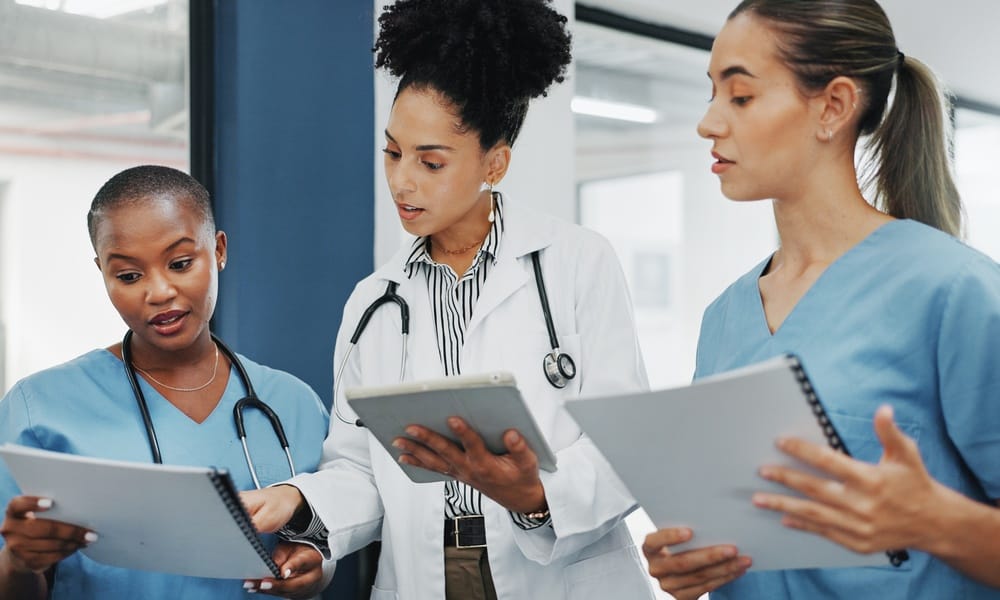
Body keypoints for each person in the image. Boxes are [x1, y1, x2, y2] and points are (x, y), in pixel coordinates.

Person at [240, 0, 655, 598]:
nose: (402, 180)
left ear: (495, 162)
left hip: (559, 576)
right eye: (393, 151)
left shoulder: (577, 263)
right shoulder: (373, 303)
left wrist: (535, 496)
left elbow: (626, 445)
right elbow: (359, 464)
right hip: (425, 575)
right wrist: (297, 501)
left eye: (431, 161)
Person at [641, 1, 1000, 598]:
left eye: (741, 96)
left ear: (832, 106)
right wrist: (692, 563)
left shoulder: (954, 292)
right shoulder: (723, 318)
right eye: (712, 94)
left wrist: (936, 521)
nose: (707, 123)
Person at [0, 165, 331, 599]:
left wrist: (316, 566)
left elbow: (330, 538)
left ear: (219, 250)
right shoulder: (38, 407)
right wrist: (19, 562)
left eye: (180, 263)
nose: (158, 292)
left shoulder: (295, 405)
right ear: (102, 272)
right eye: (128, 276)